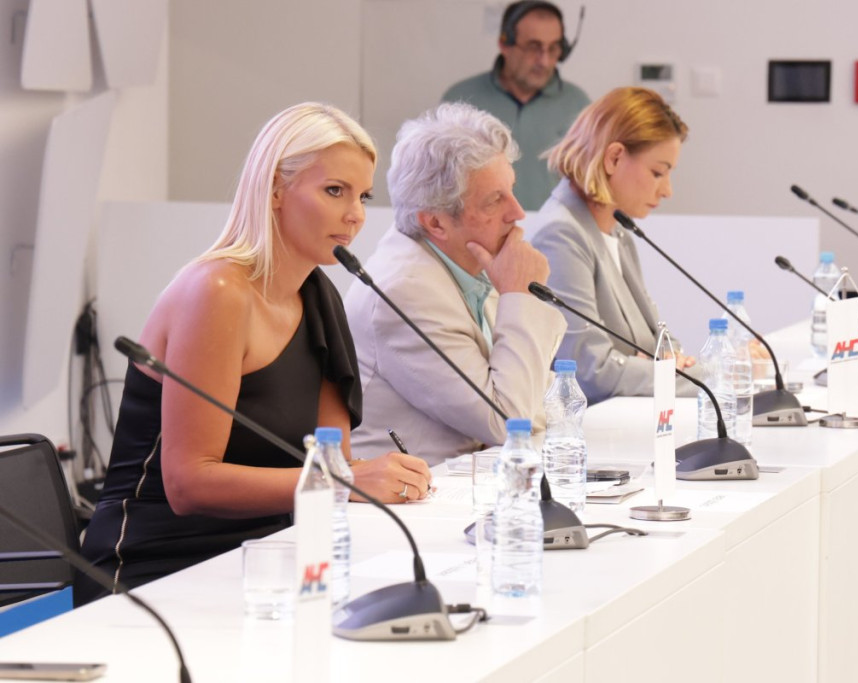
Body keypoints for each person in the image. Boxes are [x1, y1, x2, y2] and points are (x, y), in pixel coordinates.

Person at [74, 102, 432, 606]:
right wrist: (346, 479)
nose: (355, 214)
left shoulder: (320, 297)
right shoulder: (217, 292)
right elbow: (188, 483)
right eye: (335, 190)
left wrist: (374, 477)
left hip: (272, 550)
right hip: (154, 565)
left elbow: (333, 461)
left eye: (363, 195)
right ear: (275, 190)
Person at [345, 102, 567, 466]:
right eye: (495, 200)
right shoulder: (404, 291)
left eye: (511, 190)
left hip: (471, 480)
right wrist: (520, 296)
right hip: (413, 494)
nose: (517, 212)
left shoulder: (474, 262)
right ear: (435, 223)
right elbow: (511, 422)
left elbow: (539, 401)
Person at [531, 87, 704, 404]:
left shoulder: (618, 230)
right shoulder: (561, 234)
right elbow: (589, 370)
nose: (667, 191)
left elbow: (656, 342)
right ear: (614, 158)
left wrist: (665, 362)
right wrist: (707, 376)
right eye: (658, 172)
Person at [441, 1, 589, 211]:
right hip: (477, 229)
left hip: (552, 229)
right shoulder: (459, 101)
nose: (544, 61)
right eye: (533, 47)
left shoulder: (580, 106)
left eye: (553, 48)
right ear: (504, 44)